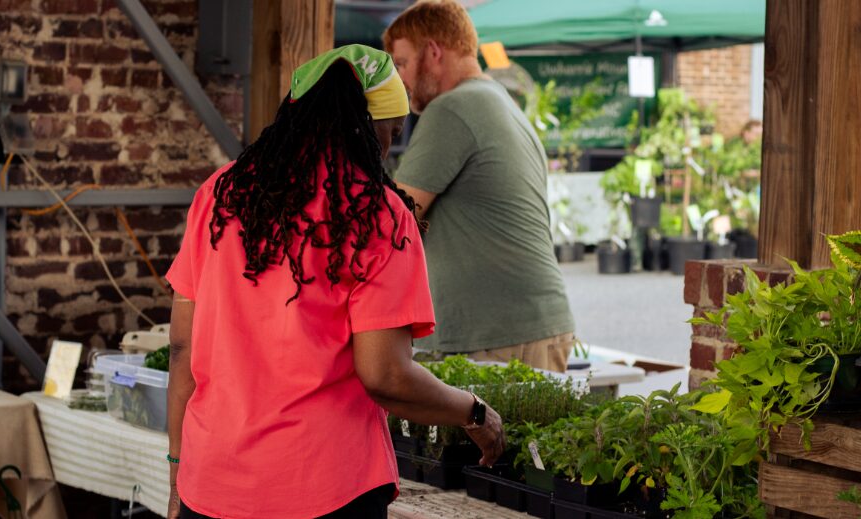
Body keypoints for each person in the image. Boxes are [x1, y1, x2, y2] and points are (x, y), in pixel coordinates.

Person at [164, 45, 505, 519]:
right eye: (393, 128)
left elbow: (182, 351)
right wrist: (473, 412)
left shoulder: (219, 195)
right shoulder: (379, 215)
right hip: (324, 490)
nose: (392, 145)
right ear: (368, 126)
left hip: (213, 486)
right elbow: (385, 375)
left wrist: (177, 466)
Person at [383, 0, 576, 372]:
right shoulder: (499, 101)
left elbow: (391, 222)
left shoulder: (452, 109)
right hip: (528, 325)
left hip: (496, 335)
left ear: (433, 52)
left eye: (403, 63)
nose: (400, 80)